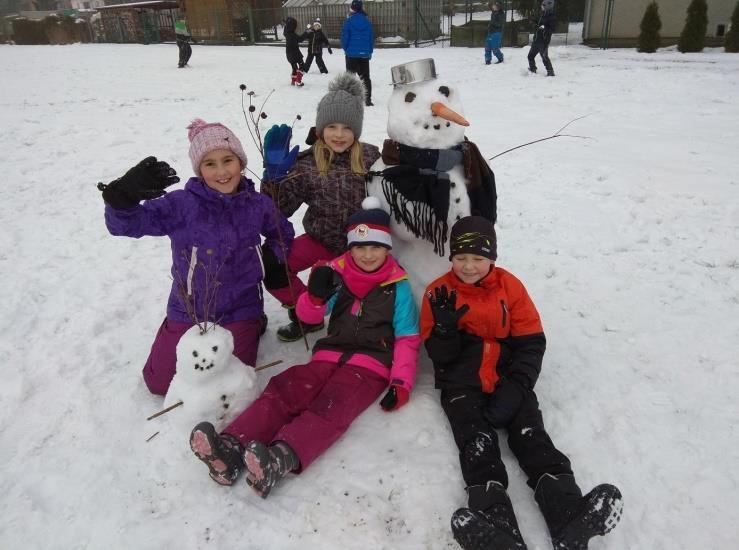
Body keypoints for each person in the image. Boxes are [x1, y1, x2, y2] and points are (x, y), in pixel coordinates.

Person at [189, 202, 421, 497]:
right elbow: (310, 318)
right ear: (350, 248)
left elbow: (407, 337)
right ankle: (230, 448)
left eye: (375, 246)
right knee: (286, 389)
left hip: (370, 366)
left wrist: (401, 381)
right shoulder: (335, 274)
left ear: (387, 248)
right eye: (359, 247)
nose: (367, 254)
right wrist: (314, 297)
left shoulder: (396, 285)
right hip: (328, 354)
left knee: (331, 405)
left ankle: (278, 459)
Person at [421, 216, 623, 550]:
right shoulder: (438, 292)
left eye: (478, 258)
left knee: (531, 435)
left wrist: (517, 385)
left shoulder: (510, 287)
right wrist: (444, 332)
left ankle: (568, 514)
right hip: (461, 382)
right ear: (451, 257)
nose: (468, 266)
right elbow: (439, 357)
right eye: (461, 258)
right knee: (477, 442)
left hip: (507, 373)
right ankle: (495, 524)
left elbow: (531, 342)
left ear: (492, 258)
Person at [99, 119, 294, 396]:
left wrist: (273, 259)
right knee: (159, 383)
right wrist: (121, 200)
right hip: (189, 308)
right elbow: (126, 226)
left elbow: (282, 234)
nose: (222, 171)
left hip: (241, 306)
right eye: (210, 164)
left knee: (231, 382)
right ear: (199, 170)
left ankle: (254, 323)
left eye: (228, 160)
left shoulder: (257, 204)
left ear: (240, 162)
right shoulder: (182, 204)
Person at [259, 72, 380, 342]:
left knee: (353, 305)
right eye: (332, 126)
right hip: (320, 241)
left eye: (348, 128)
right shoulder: (305, 163)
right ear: (320, 127)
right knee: (273, 264)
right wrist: (274, 178)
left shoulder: (372, 157)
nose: (339, 134)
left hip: (361, 248)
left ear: (357, 130)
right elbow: (279, 209)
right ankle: (306, 314)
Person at [341, 0, 374, 106]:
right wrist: (369, 52)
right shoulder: (367, 22)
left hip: (351, 54)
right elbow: (371, 38)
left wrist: (346, 49)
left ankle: (349, 98)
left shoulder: (349, 21)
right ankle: (367, 99)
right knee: (365, 77)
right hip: (364, 54)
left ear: (353, 9)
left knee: (350, 77)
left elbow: (345, 38)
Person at [528, 0, 556, 76]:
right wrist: (533, 23)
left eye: (543, 5)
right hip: (536, 39)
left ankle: (550, 71)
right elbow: (535, 21)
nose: (541, 7)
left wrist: (544, 28)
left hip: (543, 41)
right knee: (530, 56)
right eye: (542, 5)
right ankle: (532, 69)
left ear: (548, 6)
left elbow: (552, 29)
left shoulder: (551, 16)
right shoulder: (541, 14)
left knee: (544, 57)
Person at [284, 17, 308, 86]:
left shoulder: (286, 33)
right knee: (302, 66)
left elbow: (286, 28)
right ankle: (298, 80)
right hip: (295, 53)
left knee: (294, 67)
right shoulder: (292, 35)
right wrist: (306, 32)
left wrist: (286, 23)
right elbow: (300, 39)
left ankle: (293, 81)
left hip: (289, 54)